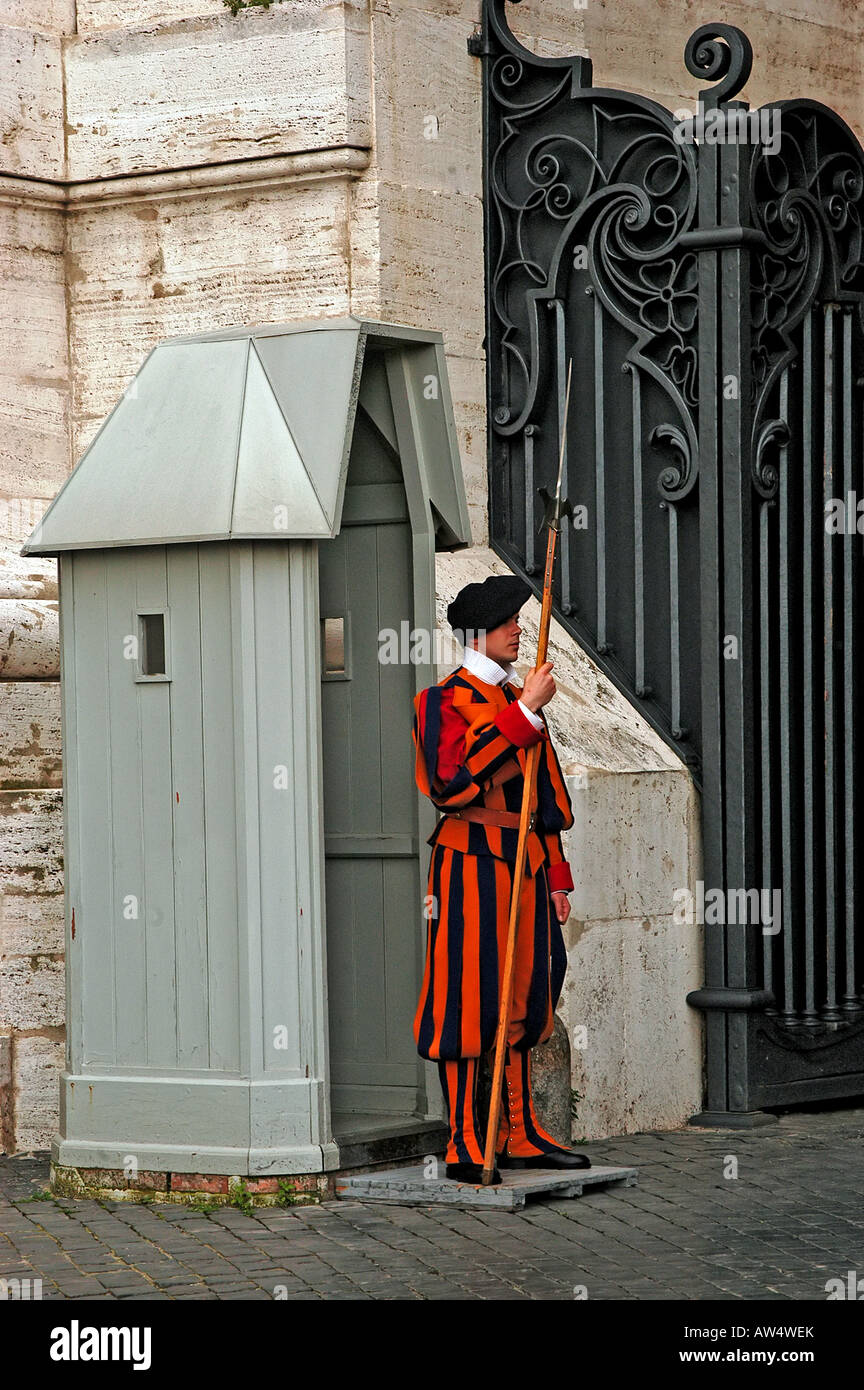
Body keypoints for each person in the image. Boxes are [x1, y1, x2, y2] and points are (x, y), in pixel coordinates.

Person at [412, 574, 591, 1183]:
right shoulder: (441, 702)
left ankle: (518, 1133)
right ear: (479, 634)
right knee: (465, 999)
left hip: (526, 866)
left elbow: (545, 798)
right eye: (509, 622)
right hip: (468, 864)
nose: (520, 630)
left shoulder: (521, 699)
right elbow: (450, 785)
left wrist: (559, 876)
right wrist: (521, 714)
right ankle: (465, 1141)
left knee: (526, 995)